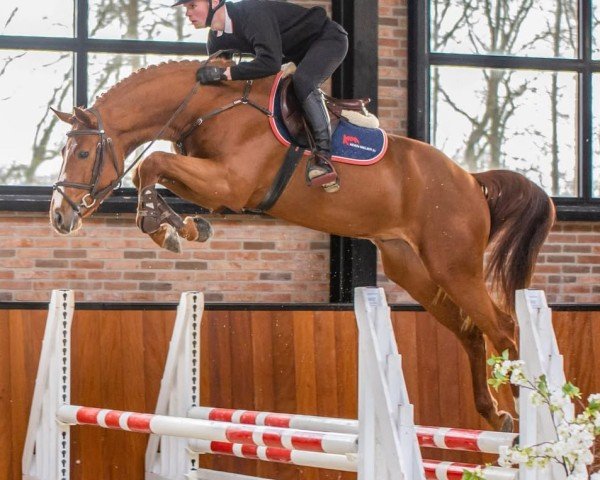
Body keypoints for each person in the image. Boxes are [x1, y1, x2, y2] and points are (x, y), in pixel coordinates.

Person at [172, 0, 349, 191]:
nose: (187, 14)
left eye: (192, 6)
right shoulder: (216, 39)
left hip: (327, 39)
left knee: (303, 82)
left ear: (214, 2)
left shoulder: (252, 13)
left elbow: (269, 63)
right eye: (185, 9)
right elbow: (220, 88)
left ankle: (323, 159)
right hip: (296, 53)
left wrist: (224, 74)